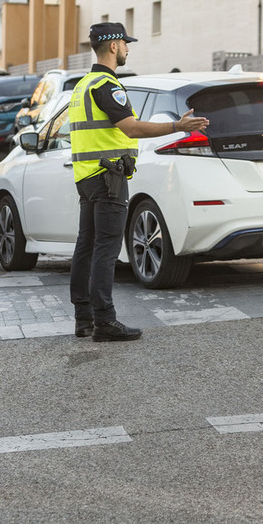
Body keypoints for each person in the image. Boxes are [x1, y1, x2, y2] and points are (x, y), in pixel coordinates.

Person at [69, 22, 208, 342]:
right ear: (113, 46)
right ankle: (104, 321)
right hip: (108, 177)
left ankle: (83, 318)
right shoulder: (106, 85)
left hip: (87, 177)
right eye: (125, 43)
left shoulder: (82, 85)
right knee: (105, 248)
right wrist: (178, 125)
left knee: (86, 246)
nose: (128, 48)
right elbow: (130, 128)